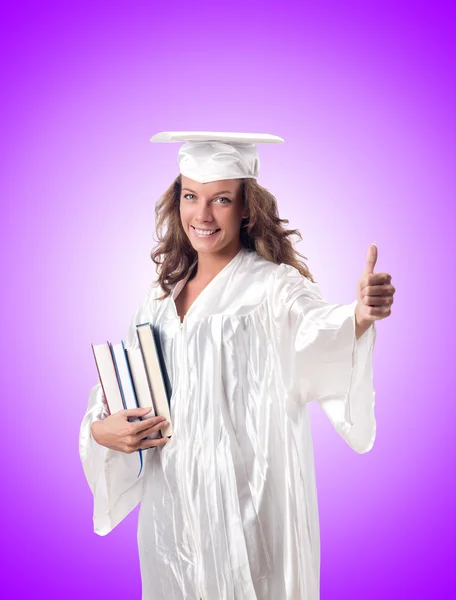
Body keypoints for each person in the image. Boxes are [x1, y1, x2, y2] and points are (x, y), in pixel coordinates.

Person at [79, 132, 395, 600]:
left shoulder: (272, 288)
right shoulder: (158, 302)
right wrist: (101, 433)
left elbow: (318, 328)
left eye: (221, 199)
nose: (202, 214)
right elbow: (114, 396)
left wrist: (359, 315)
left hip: (249, 517)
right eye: (191, 196)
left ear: (247, 208)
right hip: (172, 522)